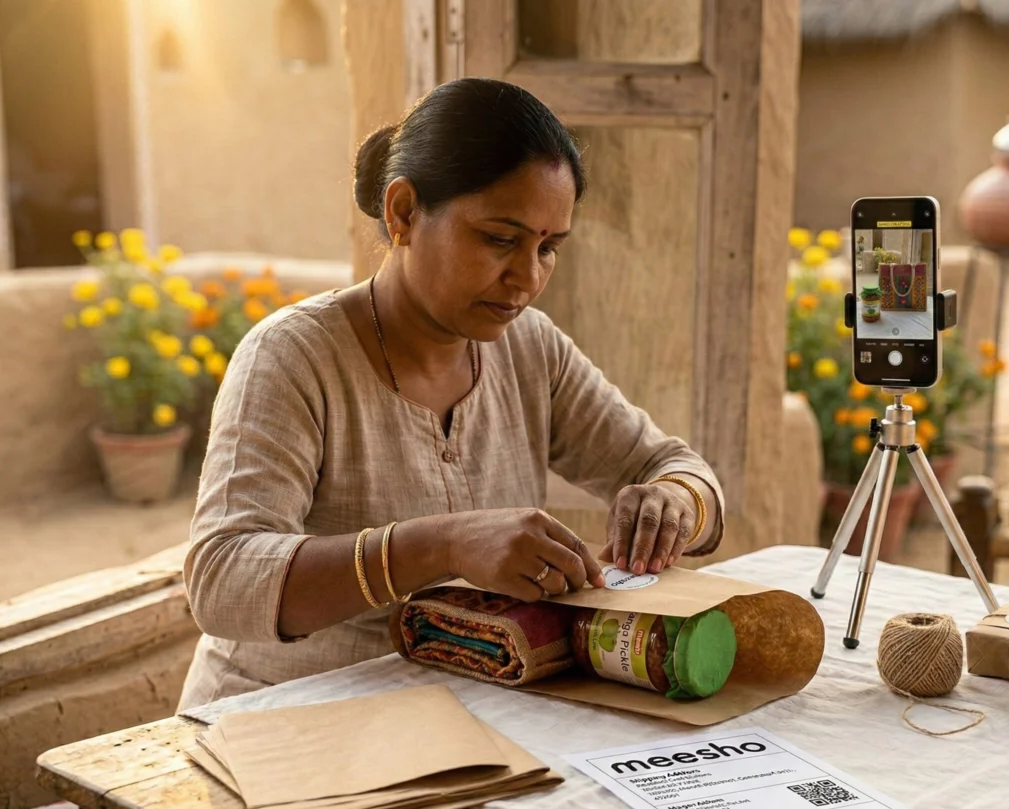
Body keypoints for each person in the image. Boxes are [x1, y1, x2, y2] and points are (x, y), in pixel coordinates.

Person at [177, 78, 724, 710]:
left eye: (548, 248)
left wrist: (672, 502)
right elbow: (222, 579)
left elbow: (676, 468)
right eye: (499, 239)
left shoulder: (529, 349)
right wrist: (442, 545)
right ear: (404, 212)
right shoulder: (294, 357)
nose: (527, 277)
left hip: (460, 719)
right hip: (278, 720)